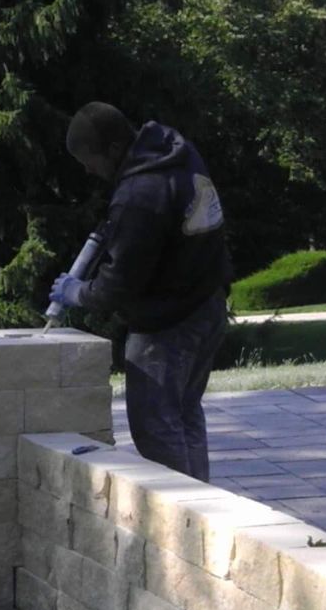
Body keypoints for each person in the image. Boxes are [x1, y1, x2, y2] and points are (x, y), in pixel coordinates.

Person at [49, 102, 233, 481]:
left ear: (115, 149)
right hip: (208, 305)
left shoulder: (140, 194)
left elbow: (116, 288)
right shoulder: (176, 152)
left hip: (167, 325)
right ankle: (202, 512)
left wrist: (76, 292)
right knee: (184, 415)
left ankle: (180, 523)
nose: (87, 169)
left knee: (157, 429)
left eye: (90, 159)